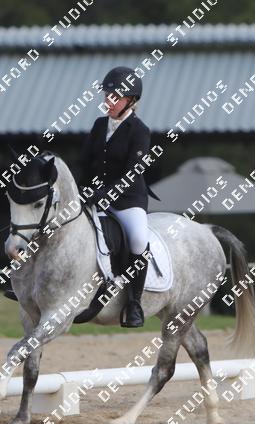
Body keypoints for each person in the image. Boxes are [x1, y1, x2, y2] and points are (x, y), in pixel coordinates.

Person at [78, 66, 159, 327]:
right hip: (95, 197)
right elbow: (85, 162)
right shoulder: (99, 125)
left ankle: (134, 303)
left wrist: (106, 194)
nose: (109, 102)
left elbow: (133, 173)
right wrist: (82, 188)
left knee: (138, 240)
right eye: (107, 96)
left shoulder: (140, 130)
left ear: (131, 100)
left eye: (115, 97)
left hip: (127, 200)